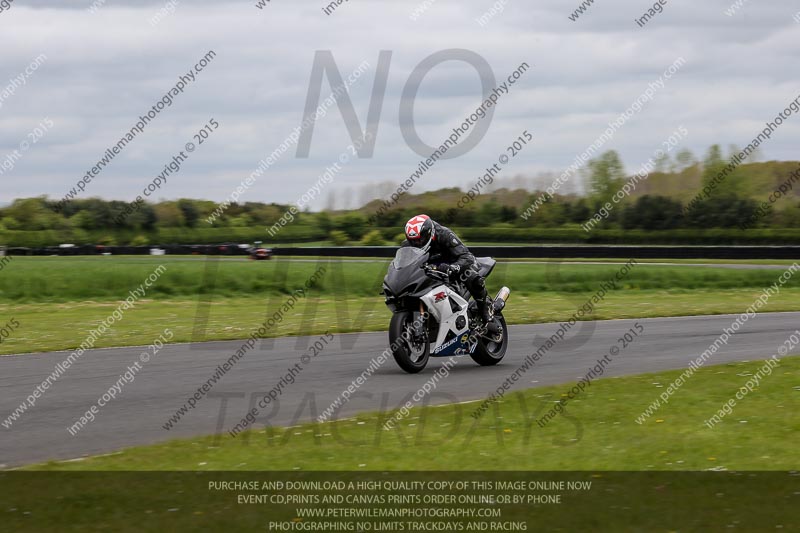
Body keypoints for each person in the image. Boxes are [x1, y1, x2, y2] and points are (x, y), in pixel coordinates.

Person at [403, 214, 495, 329]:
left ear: (429, 233)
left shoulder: (444, 234)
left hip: (456, 264)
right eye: (413, 241)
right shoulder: (408, 245)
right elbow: (404, 264)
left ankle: (485, 307)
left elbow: (466, 257)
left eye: (420, 239)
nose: (417, 243)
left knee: (472, 277)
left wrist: (453, 267)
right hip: (433, 268)